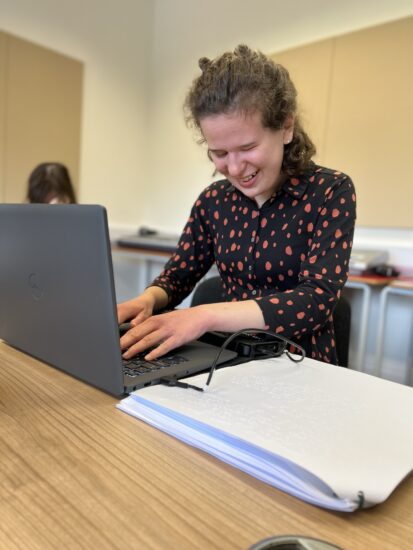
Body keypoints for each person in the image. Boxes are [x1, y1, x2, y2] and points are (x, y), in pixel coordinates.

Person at [118, 44, 356, 365]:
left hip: (301, 364)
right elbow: (178, 277)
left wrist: (204, 316)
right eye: (219, 153)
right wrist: (148, 300)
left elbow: (316, 300)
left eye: (247, 147)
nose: (234, 168)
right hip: (229, 360)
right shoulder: (213, 201)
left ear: (286, 127)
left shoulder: (330, 191)